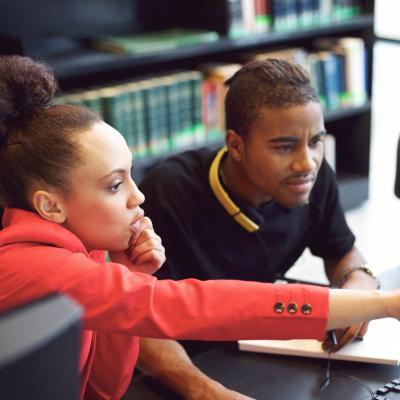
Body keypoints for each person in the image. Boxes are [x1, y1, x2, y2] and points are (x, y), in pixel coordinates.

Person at [0, 55, 396, 400]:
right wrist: (386, 304)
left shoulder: (81, 253)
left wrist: (124, 273)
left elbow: (103, 390)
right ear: (50, 205)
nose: (138, 198)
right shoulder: (38, 266)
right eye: (115, 184)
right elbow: (192, 305)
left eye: (131, 177)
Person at [138, 58, 380, 399]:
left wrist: (360, 282)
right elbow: (139, 322)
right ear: (235, 145)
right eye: (284, 146)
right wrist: (205, 391)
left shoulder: (312, 178)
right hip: (189, 362)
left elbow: (341, 250)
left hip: (260, 349)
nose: (306, 163)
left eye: (316, 142)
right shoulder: (167, 193)